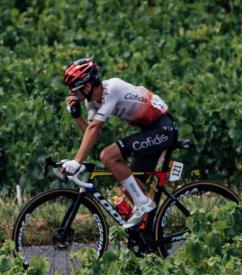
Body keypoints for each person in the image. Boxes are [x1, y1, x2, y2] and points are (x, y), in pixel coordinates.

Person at [60, 58, 178, 228]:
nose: (71, 94)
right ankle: (151, 236)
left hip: (163, 128)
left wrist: (76, 162)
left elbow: (94, 128)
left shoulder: (112, 88)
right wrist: (76, 116)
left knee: (108, 156)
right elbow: (95, 134)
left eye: (74, 89)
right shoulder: (90, 101)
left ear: (87, 86)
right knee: (131, 188)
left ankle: (144, 205)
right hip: (149, 131)